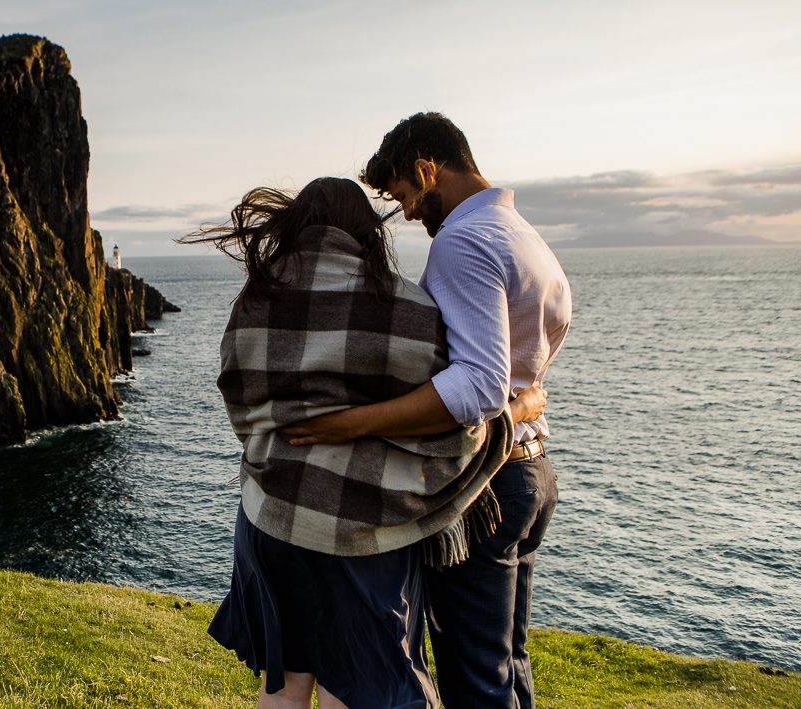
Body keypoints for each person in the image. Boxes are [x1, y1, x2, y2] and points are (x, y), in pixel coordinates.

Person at [183, 176, 547, 709]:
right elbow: (451, 421)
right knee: (351, 690)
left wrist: (291, 444)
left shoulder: (255, 303)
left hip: (271, 519)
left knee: (283, 687)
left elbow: (240, 402)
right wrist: (516, 411)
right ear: (364, 232)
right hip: (362, 532)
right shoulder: (408, 309)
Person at [281, 114, 572, 708]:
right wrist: (522, 402)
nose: (409, 214)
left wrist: (354, 421)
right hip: (532, 471)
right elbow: (523, 364)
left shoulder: (463, 240)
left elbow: (477, 387)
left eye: (406, 195)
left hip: (485, 483)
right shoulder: (523, 235)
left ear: (426, 167)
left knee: (475, 682)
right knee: (508, 665)